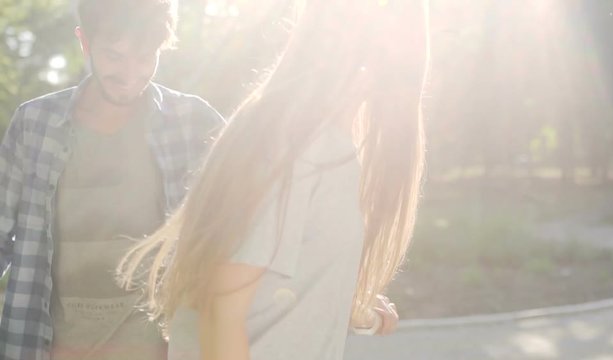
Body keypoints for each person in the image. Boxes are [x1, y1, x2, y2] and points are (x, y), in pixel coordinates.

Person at [118, 0, 428, 359]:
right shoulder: (298, 142)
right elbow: (220, 315)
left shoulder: (329, 144)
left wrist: (338, 297)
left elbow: (263, 288)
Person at [0, 0, 225, 359]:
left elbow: (236, 235)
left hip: (159, 348)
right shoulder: (34, 125)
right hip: (52, 346)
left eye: (145, 57)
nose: (130, 74)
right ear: (84, 42)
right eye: (114, 57)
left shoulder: (195, 123)